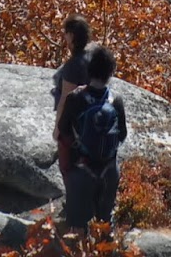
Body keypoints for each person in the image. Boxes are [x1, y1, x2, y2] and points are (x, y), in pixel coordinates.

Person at [59, 44, 128, 232]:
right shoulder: (116, 100)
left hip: (81, 170)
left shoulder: (75, 98)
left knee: (77, 229)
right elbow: (122, 134)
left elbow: (62, 130)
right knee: (105, 224)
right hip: (109, 171)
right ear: (111, 72)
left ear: (89, 70)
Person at [51, 15, 92, 186]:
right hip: (90, 122)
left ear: (72, 36)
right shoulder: (91, 57)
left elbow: (65, 99)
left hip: (72, 126)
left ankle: (74, 203)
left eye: (66, 33)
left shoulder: (73, 66)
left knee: (67, 166)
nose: (64, 36)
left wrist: (57, 128)